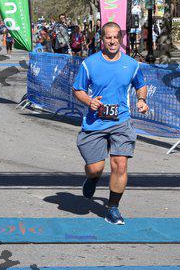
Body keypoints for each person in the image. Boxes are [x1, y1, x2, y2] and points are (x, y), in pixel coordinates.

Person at [72, 22, 149, 225]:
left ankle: (112, 208)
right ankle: (92, 178)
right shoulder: (90, 63)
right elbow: (78, 89)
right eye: (108, 37)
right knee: (95, 168)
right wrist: (89, 101)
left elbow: (141, 85)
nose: (113, 41)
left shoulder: (131, 64)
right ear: (102, 39)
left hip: (121, 121)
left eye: (116, 37)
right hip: (95, 123)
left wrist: (142, 100)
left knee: (120, 165)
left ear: (121, 39)